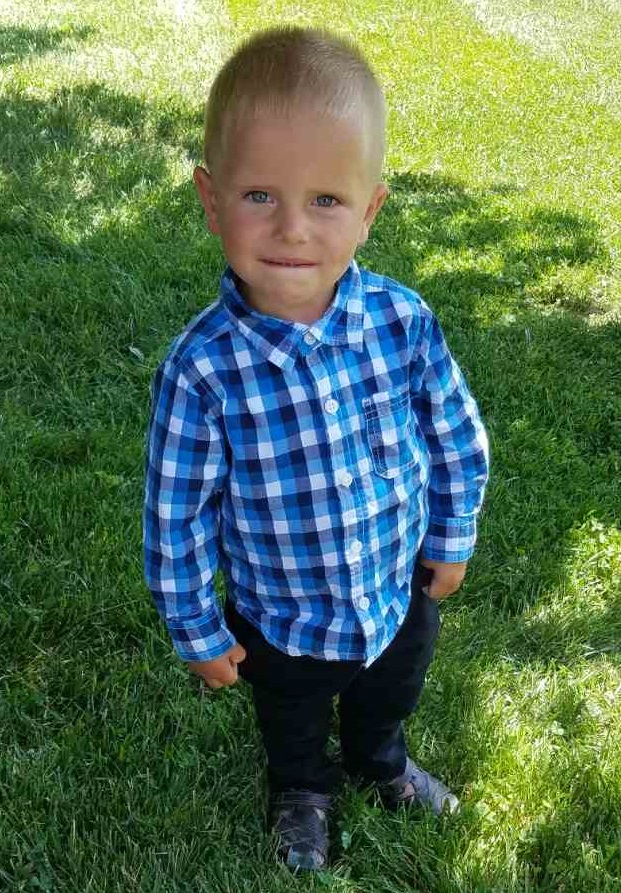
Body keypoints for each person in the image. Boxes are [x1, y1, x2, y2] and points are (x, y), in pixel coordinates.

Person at [144, 26, 489, 871]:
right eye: (259, 194)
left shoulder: (400, 321)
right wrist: (195, 626)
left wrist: (450, 537)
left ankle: (381, 760)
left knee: (392, 688)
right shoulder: (202, 370)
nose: (292, 228)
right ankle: (301, 790)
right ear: (211, 199)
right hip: (282, 616)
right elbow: (176, 513)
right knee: (292, 717)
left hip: (396, 590)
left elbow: (453, 431)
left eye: (326, 200)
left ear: (369, 210)